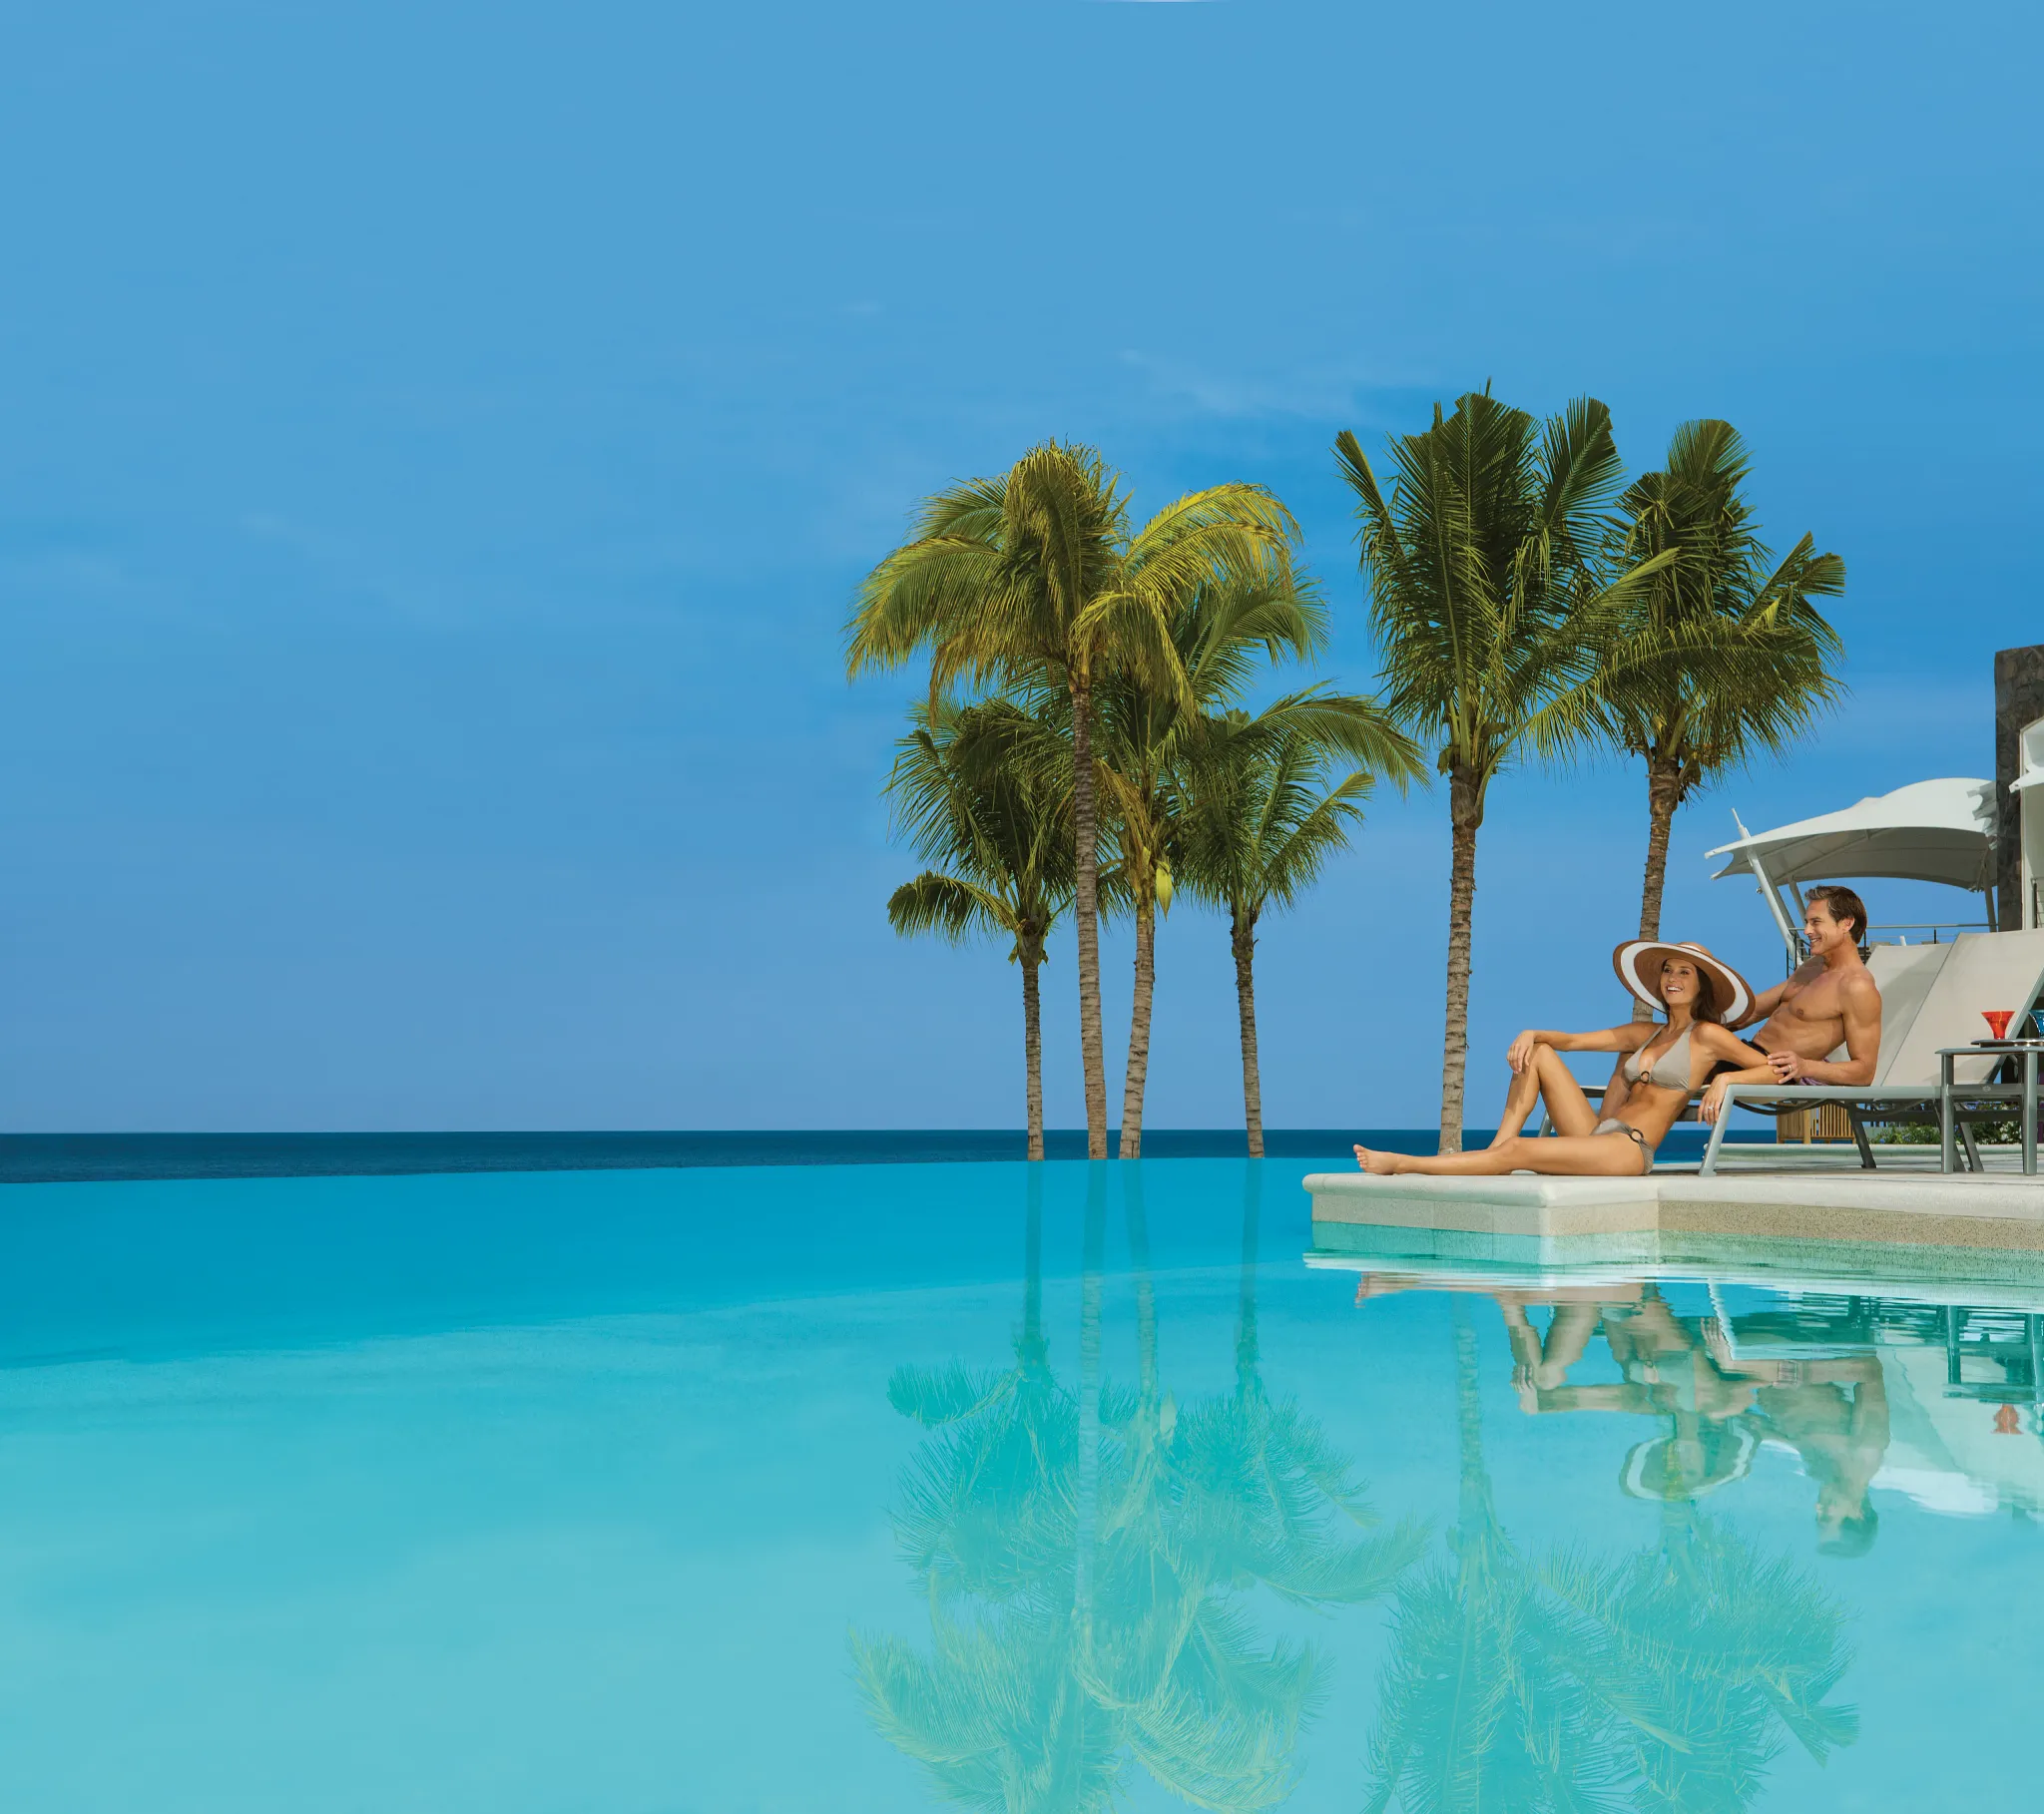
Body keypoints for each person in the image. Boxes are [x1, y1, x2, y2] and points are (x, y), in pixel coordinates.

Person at [1353, 943, 1770, 1177]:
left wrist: (1724, 1081)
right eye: (1668, 971)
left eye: (1685, 972)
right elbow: (1570, 1040)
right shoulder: (1648, 1033)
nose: (1673, 979)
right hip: (1598, 1133)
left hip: (1629, 1150)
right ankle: (1496, 1151)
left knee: (1523, 1150)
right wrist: (1532, 1033)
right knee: (1541, 1054)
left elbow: (1772, 1071)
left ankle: (1404, 1164)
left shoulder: (1708, 1036)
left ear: (1701, 986)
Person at [1700, 884, 1883, 1127]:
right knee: (1644, 1046)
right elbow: (1750, 1012)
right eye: (1807, 922)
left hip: (1775, 1075)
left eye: (1816, 922)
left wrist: (1806, 1066)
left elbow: (1865, 1072)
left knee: (1675, 1055)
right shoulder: (1811, 968)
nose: (1807, 930)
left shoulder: (1857, 987)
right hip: (1745, 1055)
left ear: (1846, 924)